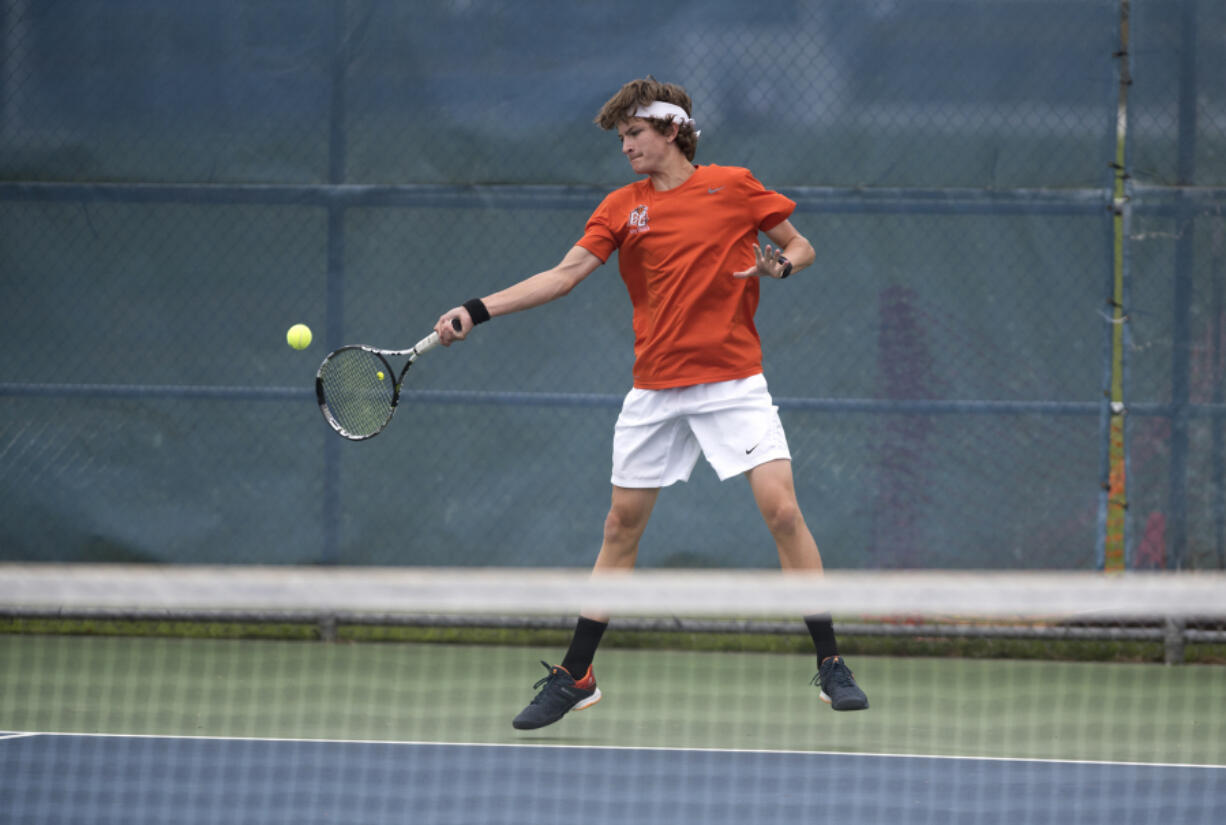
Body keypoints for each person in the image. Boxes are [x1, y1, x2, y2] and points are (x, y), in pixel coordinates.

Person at [434, 77, 869, 729]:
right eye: (620, 138)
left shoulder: (735, 187)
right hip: (656, 390)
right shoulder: (620, 207)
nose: (625, 147)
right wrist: (478, 308)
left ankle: (832, 661)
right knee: (619, 528)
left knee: (782, 510)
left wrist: (780, 266)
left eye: (634, 133)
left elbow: (800, 246)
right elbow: (564, 275)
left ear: (671, 131)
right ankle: (576, 674)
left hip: (733, 382)